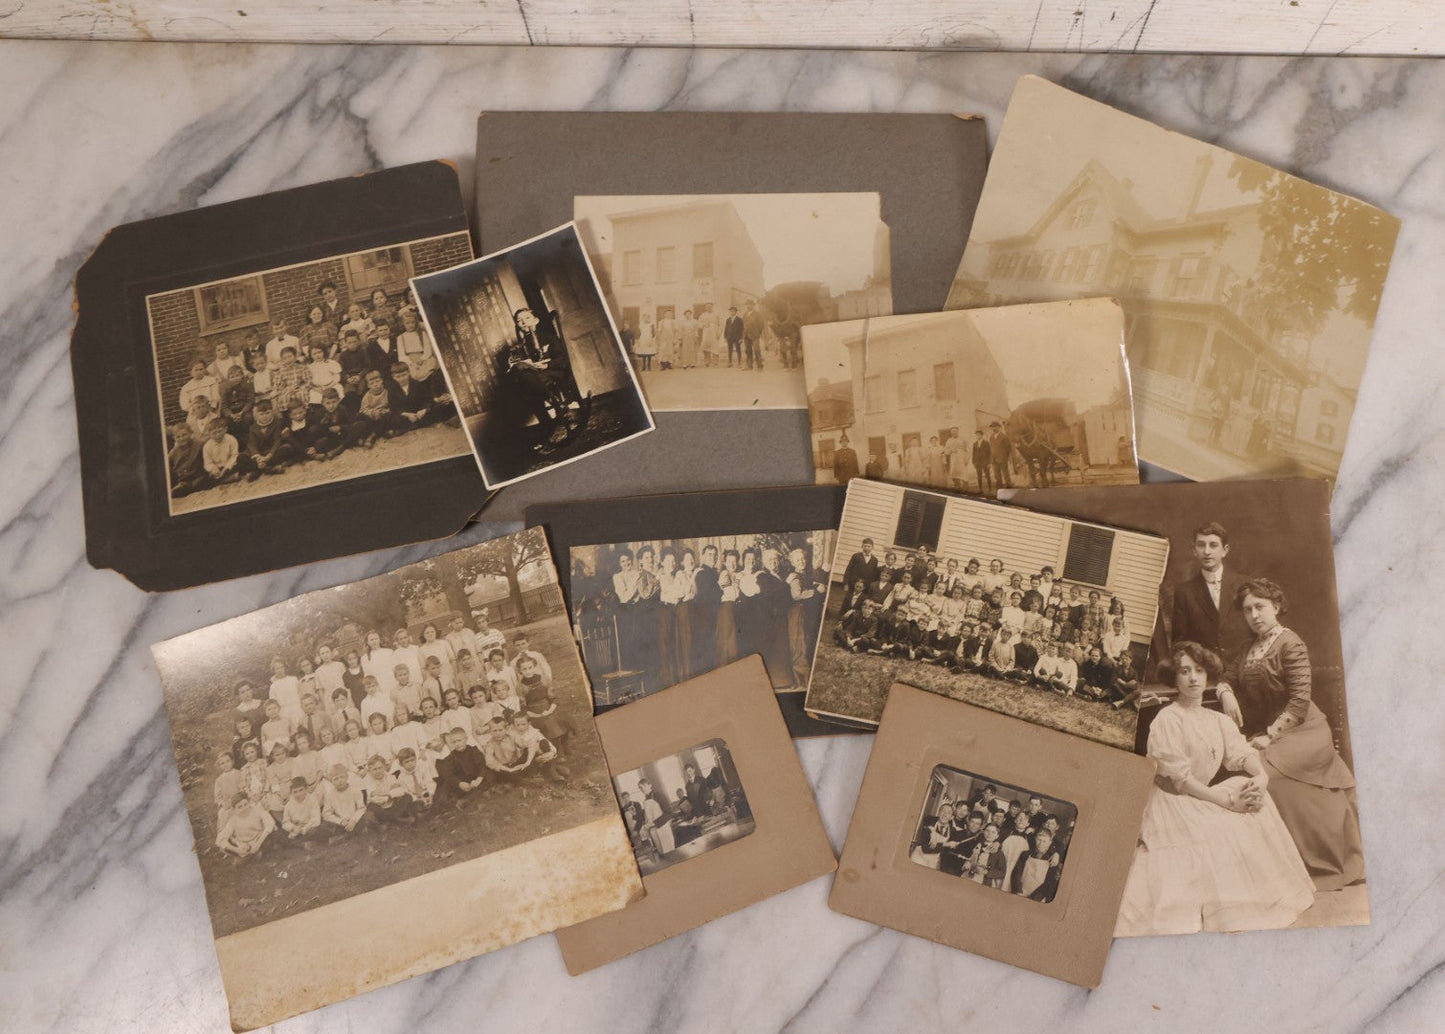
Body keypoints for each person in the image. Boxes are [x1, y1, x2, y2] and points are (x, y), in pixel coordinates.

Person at [1115, 641, 1315, 936]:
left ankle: (1262, 894)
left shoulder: (1218, 719)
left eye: (1199, 670)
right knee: (1222, 826)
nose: (1193, 678)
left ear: (1208, 675)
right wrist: (1224, 801)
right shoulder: (1166, 720)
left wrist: (1261, 779)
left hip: (1202, 794)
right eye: (1185, 671)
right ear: (1175, 677)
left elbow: (1242, 755)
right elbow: (1180, 781)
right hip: (1172, 802)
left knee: (1248, 790)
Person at [1217, 578, 1365, 890]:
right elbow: (1227, 676)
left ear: (1276, 606)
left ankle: (1313, 861)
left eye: (1260, 606)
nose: (1255, 614)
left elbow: (1299, 702)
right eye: (1247, 610)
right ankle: (1271, 864)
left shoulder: (1290, 643)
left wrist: (1269, 736)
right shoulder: (1248, 648)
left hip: (1305, 730)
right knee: (1248, 770)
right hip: (1273, 732)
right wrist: (1225, 690)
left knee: (1270, 777)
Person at [215, 793, 275, 859]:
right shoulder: (233, 820)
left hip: (259, 838)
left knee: (272, 833)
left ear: (249, 803)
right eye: (239, 807)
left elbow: (270, 822)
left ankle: (258, 852)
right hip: (243, 844)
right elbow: (219, 839)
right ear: (234, 809)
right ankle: (245, 855)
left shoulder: (256, 810)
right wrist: (237, 850)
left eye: (245, 804)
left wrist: (258, 843)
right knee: (226, 845)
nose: (244, 808)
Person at [320, 765, 369, 834]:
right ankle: (348, 834)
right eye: (336, 779)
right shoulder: (330, 795)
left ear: (347, 777)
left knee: (368, 817)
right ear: (331, 781)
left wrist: (353, 820)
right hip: (340, 821)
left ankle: (346, 835)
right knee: (325, 825)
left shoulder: (355, 791)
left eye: (342, 777)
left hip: (354, 819)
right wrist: (340, 821)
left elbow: (361, 808)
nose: (340, 781)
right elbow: (326, 814)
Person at [167, 423, 207, 497]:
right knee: (174, 492)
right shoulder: (172, 453)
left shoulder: (200, 445)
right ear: (174, 438)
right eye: (178, 437)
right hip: (184, 480)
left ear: (191, 433)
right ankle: (186, 487)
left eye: (184, 435)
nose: (181, 438)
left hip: (199, 476)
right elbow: (169, 471)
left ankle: (192, 487)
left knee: (203, 481)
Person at [281, 776, 322, 841]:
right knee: (282, 834)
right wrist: (293, 828)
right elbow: (285, 822)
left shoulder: (313, 800)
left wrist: (303, 829)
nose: (298, 794)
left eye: (301, 790)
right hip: (296, 827)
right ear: (291, 792)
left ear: (306, 789)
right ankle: (299, 842)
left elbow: (316, 819)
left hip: (309, 826)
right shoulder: (289, 805)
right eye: (295, 792)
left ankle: (303, 841)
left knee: (316, 830)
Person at [988, 421, 1014, 489]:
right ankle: (999, 485)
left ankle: (1008, 484)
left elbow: (1008, 448)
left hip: (1002, 457)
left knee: (1005, 472)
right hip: (994, 458)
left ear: (999, 427)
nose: (994, 428)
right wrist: (991, 459)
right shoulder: (991, 437)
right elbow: (991, 448)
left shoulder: (1004, 437)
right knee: (996, 474)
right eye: (992, 427)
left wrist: (1006, 457)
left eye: (995, 426)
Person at [741, 300, 764, 370]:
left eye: (750, 304)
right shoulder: (745, 314)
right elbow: (743, 324)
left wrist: (757, 333)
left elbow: (761, 325)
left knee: (757, 350)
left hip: (755, 335)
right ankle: (749, 365)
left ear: (753, 306)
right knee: (748, 351)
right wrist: (744, 333)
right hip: (746, 335)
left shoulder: (757, 314)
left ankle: (759, 366)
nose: (748, 306)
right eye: (747, 305)